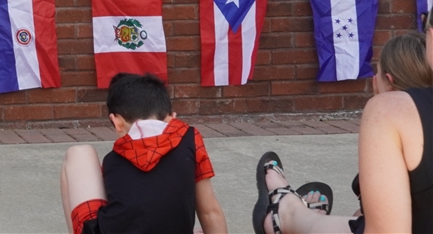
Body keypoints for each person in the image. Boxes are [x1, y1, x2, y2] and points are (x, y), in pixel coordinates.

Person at [253, 30, 432, 234]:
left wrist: (383, 102)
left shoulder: (387, 110)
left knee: (365, 221)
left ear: (389, 82)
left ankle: (287, 215)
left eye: (377, 74)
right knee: (360, 215)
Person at [60, 72, 227, 234]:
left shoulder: (113, 160)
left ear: (116, 122)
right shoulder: (190, 137)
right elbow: (210, 211)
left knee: (79, 153)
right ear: (172, 118)